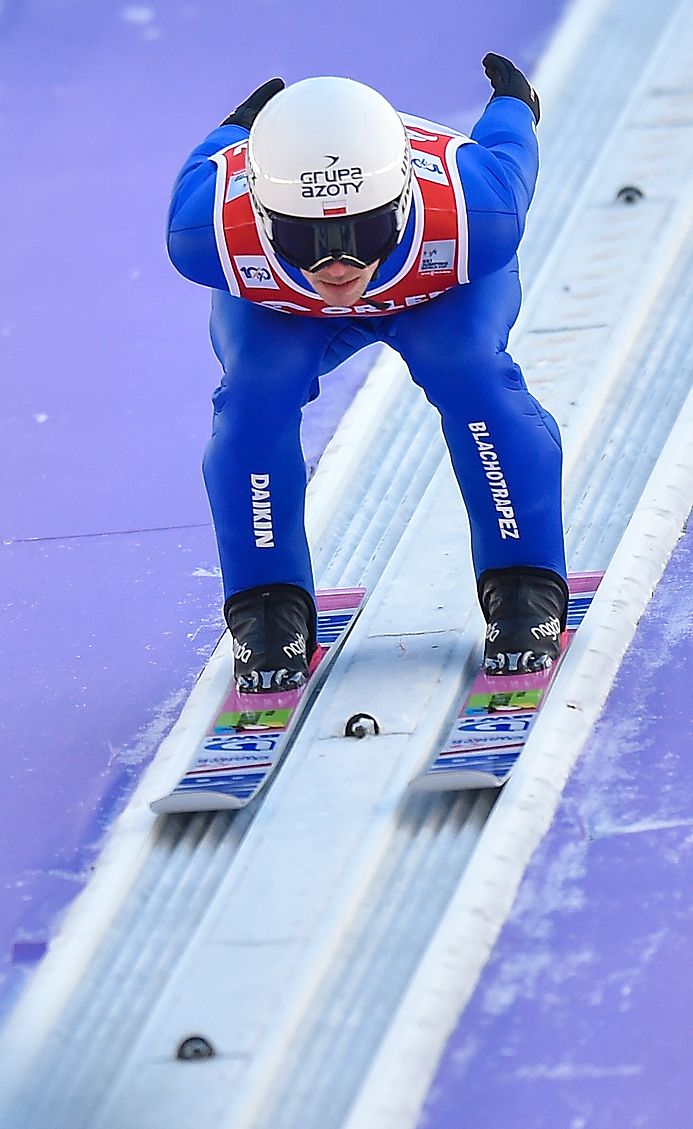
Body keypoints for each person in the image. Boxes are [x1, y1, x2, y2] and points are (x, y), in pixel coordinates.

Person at [166, 58, 566, 693]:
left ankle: (524, 581)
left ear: (406, 201)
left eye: (365, 230)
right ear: (262, 217)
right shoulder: (204, 229)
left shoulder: (475, 212)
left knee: (475, 378)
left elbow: (510, 149)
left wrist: (515, 103)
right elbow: (210, 161)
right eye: (305, 238)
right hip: (289, 311)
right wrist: (241, 126)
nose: (337, 266)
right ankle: (267, 603)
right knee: (252, 401)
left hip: (437, 295)